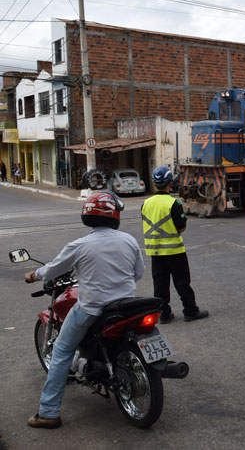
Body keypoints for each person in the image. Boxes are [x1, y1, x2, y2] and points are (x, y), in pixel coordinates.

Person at [26, 191, 145, 429]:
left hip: (92, 309)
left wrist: (33, 275)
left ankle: (48, 413)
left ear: (87, 216)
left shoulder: (79, 246)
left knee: (61, 351)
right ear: (114, 215)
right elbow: (138, 273)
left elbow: (51, 270)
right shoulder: (128, 240)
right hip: (127, 306)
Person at [141, 166, 208, 323]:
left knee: (160, 284)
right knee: (182, 282)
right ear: (170, 183)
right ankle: (190, 311)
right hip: (174, 251)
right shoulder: (173, 203)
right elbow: (181, 227)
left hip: (155, 252)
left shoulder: (145, 203)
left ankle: (163, 314)